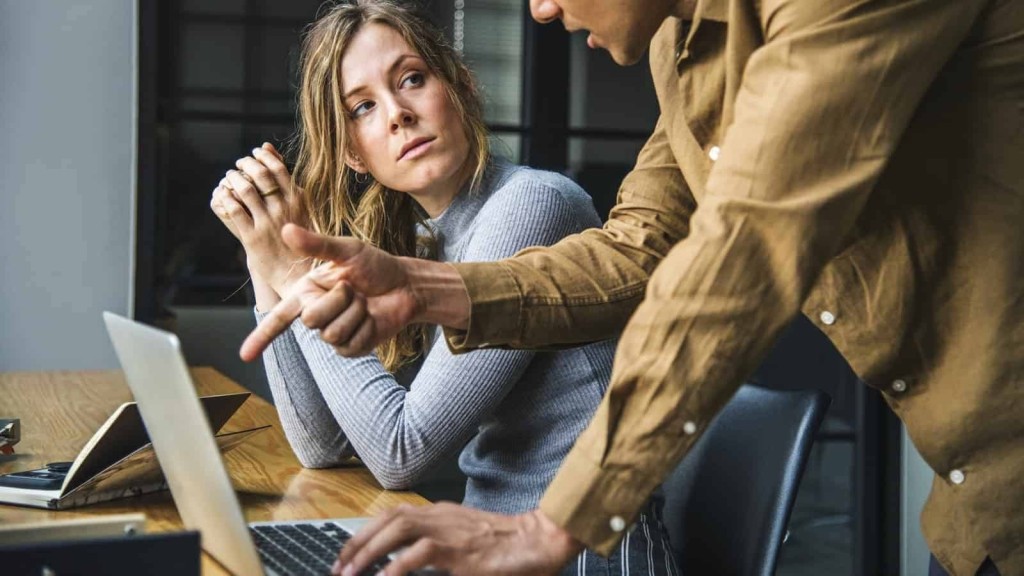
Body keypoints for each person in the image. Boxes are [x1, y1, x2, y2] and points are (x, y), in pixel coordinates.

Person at [242, 0, 1024, 574]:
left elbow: (744, 251)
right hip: (974, 505)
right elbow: (635, 249)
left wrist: (555, 525)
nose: (542, 10)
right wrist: (422, 284)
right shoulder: (682, 53)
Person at [211, 2, 680, 575]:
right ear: (353, 153)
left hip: (581, 557)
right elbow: (323, 447)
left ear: (460, 87)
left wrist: (295, 276)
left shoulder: (532, 205)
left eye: (412, 79)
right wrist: (269, 259)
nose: (397, 114)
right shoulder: (422, 239)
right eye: (363, 107)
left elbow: (399, 451)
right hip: (488, 549)